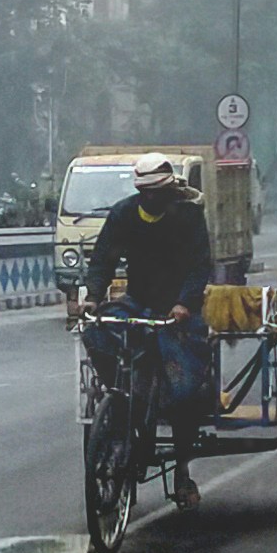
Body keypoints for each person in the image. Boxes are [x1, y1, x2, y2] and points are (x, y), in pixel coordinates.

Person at [81, 151, 215, 509]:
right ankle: (123, 393)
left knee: (185, 390)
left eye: (158, 192)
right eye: (146, 192)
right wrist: (93, 297)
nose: (152, 199)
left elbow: (201, 265)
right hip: (138, 301)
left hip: (178, 309)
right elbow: (102, 259)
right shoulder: (124, 213)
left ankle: (182, 471)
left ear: (169, 188)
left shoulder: (187, 215)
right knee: (95, 329)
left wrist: (185, 302)